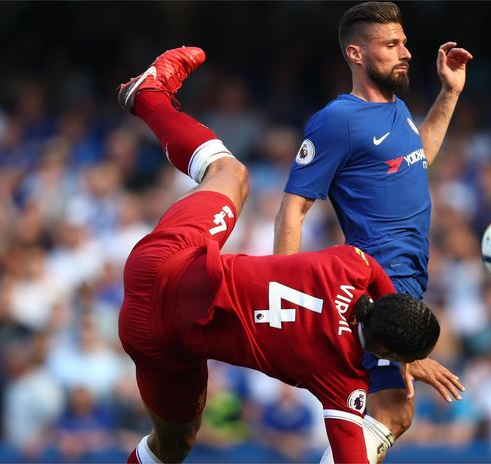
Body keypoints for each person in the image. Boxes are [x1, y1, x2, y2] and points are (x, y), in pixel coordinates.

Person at [116, 47, 464, 463]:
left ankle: (149, 97)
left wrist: (410, 351)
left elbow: (379, 282)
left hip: (162, 262)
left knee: (230, 174)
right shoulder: (341, 377)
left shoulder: (353, 265)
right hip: (158, 339)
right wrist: (408, 358)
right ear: (386, 354)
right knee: (174, 444)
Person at [273, 1, 472, 457]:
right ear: (357, 54)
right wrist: (280, 292)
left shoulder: (397, 109)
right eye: (391, 44)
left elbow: (416, 159)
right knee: (391, 409)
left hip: (404, 283)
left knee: (389, 411)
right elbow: (291, 210)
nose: (405, 52)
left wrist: (450, 93)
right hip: (378, 284)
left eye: (404, 42)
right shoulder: (336, 121)